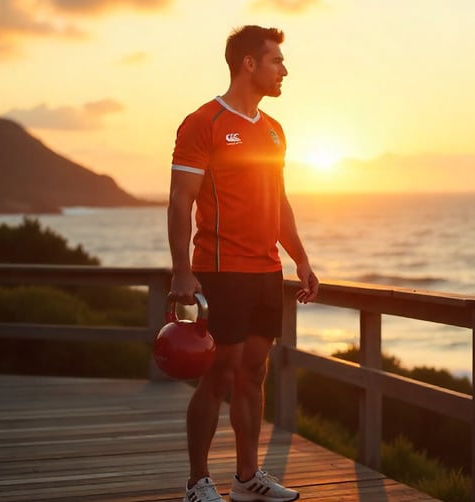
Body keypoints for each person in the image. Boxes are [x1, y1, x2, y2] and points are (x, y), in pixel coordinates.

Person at [167, 25, 318, 502]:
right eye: (276, 61)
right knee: (219, 373)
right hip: (220, 268)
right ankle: (197, 483)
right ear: (249, 64)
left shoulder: (274, 131)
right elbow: (179, 202)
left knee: (254, 372)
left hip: (265, 271)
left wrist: (302, 259)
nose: (284, 70)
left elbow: (280, 202)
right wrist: (180, 271)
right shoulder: (203, 123)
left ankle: (247, 478)